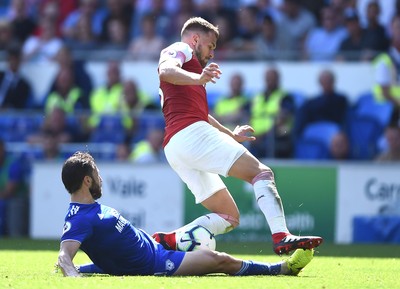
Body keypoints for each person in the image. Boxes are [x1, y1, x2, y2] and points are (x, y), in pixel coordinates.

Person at [153, 17, 323, 255]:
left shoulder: (190, 73)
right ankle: (281, 236)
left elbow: (201, 114)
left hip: (175, 147)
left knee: (229, 217)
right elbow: (165, 70)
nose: (212, 53)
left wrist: (230, 135)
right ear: (195, 39)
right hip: (191, 135)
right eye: (211, 46)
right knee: (262, 173)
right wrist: (198, 78)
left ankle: (171, 239)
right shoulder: (181, 48)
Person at [57, 151, 314, 277]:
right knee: (217, 259)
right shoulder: (79, 218)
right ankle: (282, 269)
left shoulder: (89, 210)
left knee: (203, 230)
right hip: (156, 263)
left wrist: (83, 267)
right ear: (88, 181)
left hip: (156, 245)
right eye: (97, 174)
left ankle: (173, 239)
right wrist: (72, 273)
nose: (101, 177)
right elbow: (64, 254)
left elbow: (109, 256)